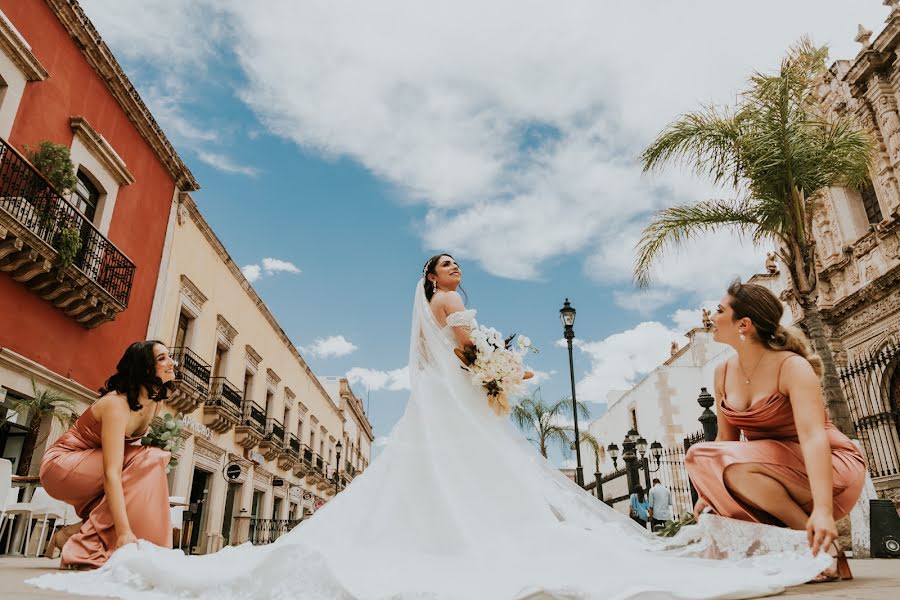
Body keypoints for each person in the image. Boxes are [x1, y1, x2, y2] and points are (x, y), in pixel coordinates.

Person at [31, 258, 834, 599]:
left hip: (444, 409)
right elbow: (469, 349)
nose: (454, 273)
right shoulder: (449, 309)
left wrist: (492, 369)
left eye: (455, 266)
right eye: (444, 266)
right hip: (457, 403)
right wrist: (502, 366)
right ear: (431, 280)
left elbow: (467, 359)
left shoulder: (442, 309)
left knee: (443, 479)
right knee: (478, 482)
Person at [685, 279, 866, 583]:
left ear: (744, 324)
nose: (710, 319)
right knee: (703, 457)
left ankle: (819, 543)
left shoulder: (791, 366)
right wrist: (709, 491)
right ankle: (810, 544)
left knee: (702, 454)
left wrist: (823, 510)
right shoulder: (723, 372)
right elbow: (726, 442)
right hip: (764, 470)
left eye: (719, 310)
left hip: (828, 466)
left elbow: (813, 437)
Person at [38, 341, 176, 569]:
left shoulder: (154, 404)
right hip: (61, 465)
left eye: (168, 356)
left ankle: (71, 536)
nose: (172, 362)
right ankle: (86, 546)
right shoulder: (116, 404)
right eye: (162, 358)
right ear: (144, 368)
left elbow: (127, 471)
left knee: (149, 464)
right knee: (149, 458)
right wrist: (123, 534)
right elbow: (112, 472)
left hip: (92, 467)